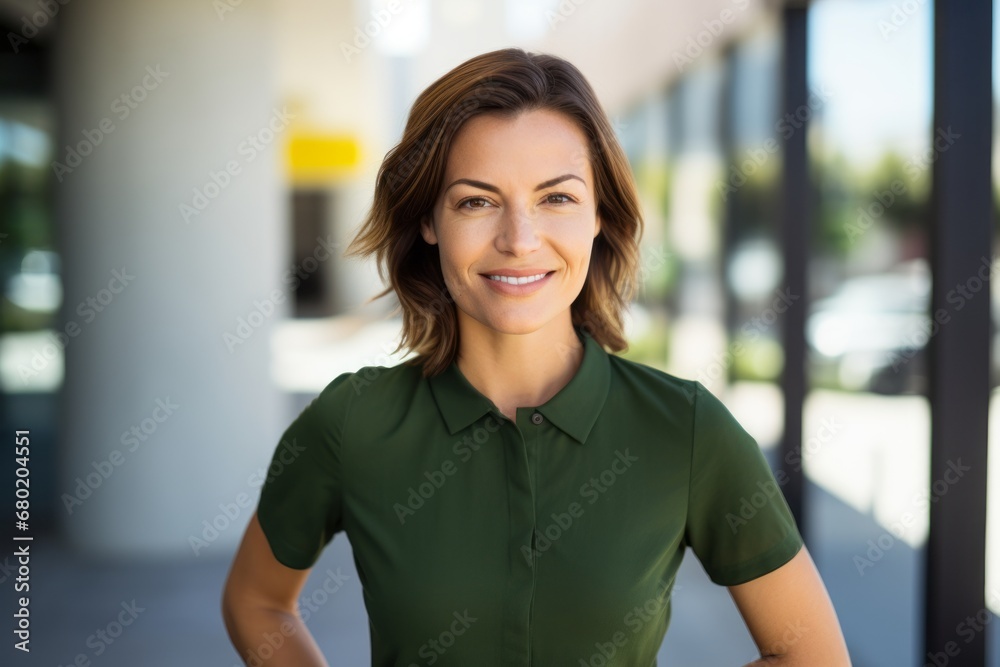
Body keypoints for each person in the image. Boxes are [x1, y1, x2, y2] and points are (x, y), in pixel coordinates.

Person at [222, 47, 852, 666]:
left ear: (599, 215)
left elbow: (812, 655)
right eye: (476, 200)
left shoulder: (686, 431)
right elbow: (256, 601)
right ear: (429, 220)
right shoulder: (353, 422)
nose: (519, 240)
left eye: (557, 198)